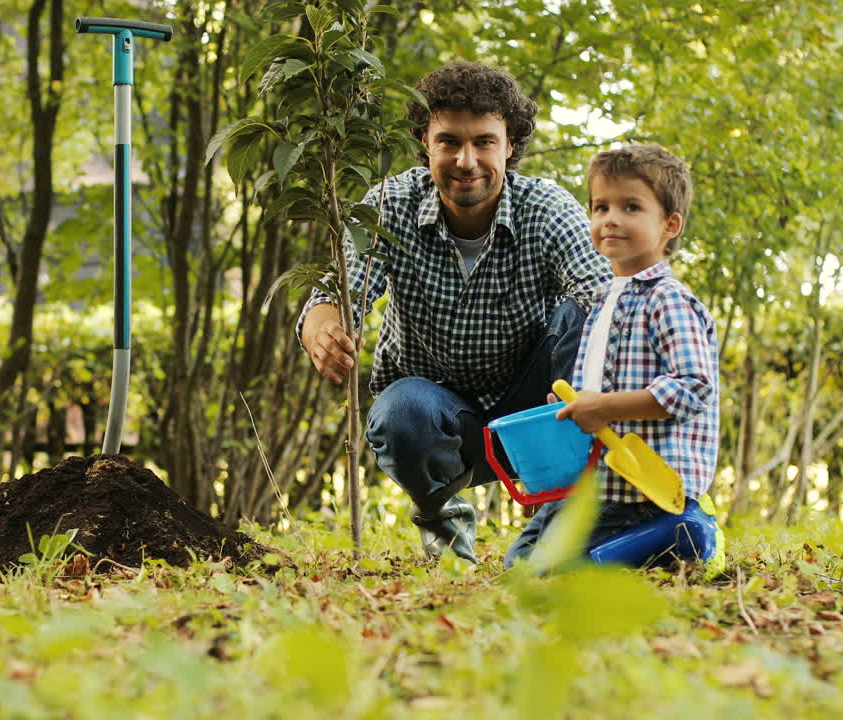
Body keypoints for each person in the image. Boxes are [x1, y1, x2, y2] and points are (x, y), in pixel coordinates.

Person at [297, 61, 611, 563]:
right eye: (449, 142)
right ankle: (445, 530)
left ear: (510, 145)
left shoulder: (547, 209)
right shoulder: (391, 205)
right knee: (399, 411)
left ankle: (566, 514)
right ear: (425, 142)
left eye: (484, 142)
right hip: (436, 419)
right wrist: (324, 329)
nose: (467, 161)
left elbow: (606, 297)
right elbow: (335, 292)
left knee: (586, 317)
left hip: (536, 412)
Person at [504, 143, 720, 569]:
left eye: (631, 207)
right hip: (599, 484)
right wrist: (575, 405)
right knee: (521, 563)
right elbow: (598, 390)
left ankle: (685, 531)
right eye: (600, 207)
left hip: (643, 489)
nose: (611, 219)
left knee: (544, 571)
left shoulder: (668, 299)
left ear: (669, 225)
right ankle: (644, 548)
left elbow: (694, 387)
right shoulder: (603, 300)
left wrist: (603, 406)